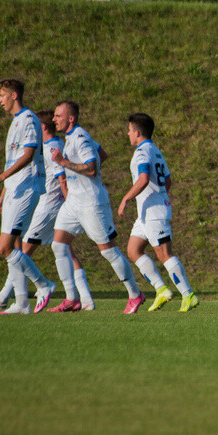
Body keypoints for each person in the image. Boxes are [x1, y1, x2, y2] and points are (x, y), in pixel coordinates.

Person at [0, 110, 93, 310]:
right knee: (63, 249)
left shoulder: (53, 146)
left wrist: (71, 205)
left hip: (48, 206)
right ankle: (83, 299)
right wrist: (3, 196)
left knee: (20, 251)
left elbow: (62, 179)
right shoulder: (44, 146)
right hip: (44, 204)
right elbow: (21, 169)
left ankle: (8, 296)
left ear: (43, 127)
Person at [49, 100, 145, 314]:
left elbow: (92, 168)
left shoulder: (80, 137)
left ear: (70, 119)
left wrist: (63, 162)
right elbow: (102, 155)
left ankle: (135, 293)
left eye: (58, 116)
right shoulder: (76, 136)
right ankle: (72, 298)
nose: (54, 119)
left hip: (91, 203)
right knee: (59, 245)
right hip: (74, 201)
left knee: (108, 252)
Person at [0, 78, 55, 315]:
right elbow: (12, 159)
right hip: (14, 190)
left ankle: (44, 284)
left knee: (4, 248)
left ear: (13, 95)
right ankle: (21, 303)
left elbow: (28, 154)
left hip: (27, 189)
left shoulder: (28, 119)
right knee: (12, 247)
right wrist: (3, 193)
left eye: (1, 95)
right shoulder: (15, 123)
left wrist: (1, 178)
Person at [118, 113, 198, 312]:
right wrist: (159, 197)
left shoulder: (142, 152)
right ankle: (161, 289)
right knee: (133, 250)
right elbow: (168, 181)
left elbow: (143, 178)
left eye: (129, 130)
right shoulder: (155, 150)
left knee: (164, 255)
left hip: (154, 212)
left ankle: (188, 295)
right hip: (147, 212)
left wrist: (126, 198)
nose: (127, 133)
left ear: (137, 133)